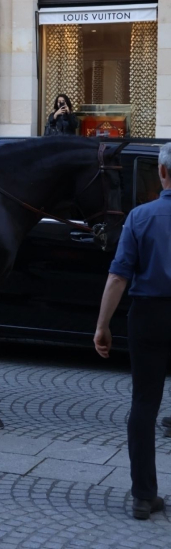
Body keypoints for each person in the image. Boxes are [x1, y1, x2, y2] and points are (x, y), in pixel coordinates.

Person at [94, 142, 171, 520]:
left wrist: (102, 326)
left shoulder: (140, 217)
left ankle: (144, 495)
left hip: (149, 317)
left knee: (144, 404)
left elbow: (118, 276)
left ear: (162, 173)